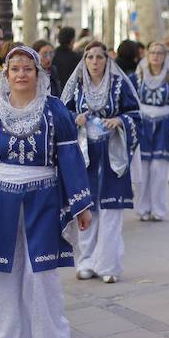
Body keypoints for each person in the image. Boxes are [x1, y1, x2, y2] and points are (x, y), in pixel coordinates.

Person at [0, 46, 93, 338]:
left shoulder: (55, 110)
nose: (20, 74)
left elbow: (70, 159)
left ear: (37, 73)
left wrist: (81, 204)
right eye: (14, 69)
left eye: (27, 69)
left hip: (43, 198)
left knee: (41, 274)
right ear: (5, 73)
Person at [61, 42, 140, 283]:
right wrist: (76, 118)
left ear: (107, 61)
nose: (94, 62)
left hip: (112, 153)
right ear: (84, 61)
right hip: (86, 155)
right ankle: (85, 261)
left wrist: (120, 121)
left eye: (99, 57)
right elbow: (63, 115)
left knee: (111, 211)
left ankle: (108, 265)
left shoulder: (118, 86)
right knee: (86, 209)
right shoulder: (78, 88)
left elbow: (136, 114)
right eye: (90, 57)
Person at [132, 42, 169, 221]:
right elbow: (130, 105)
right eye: (152, 53)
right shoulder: (136, 78)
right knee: (142, 170)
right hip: (142, 126)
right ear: (146, 55)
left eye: (159, 53)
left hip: (163, 126)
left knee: (159, 169)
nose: (155, 56)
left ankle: (159, 210)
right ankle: (143, 209)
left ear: (165, 56)